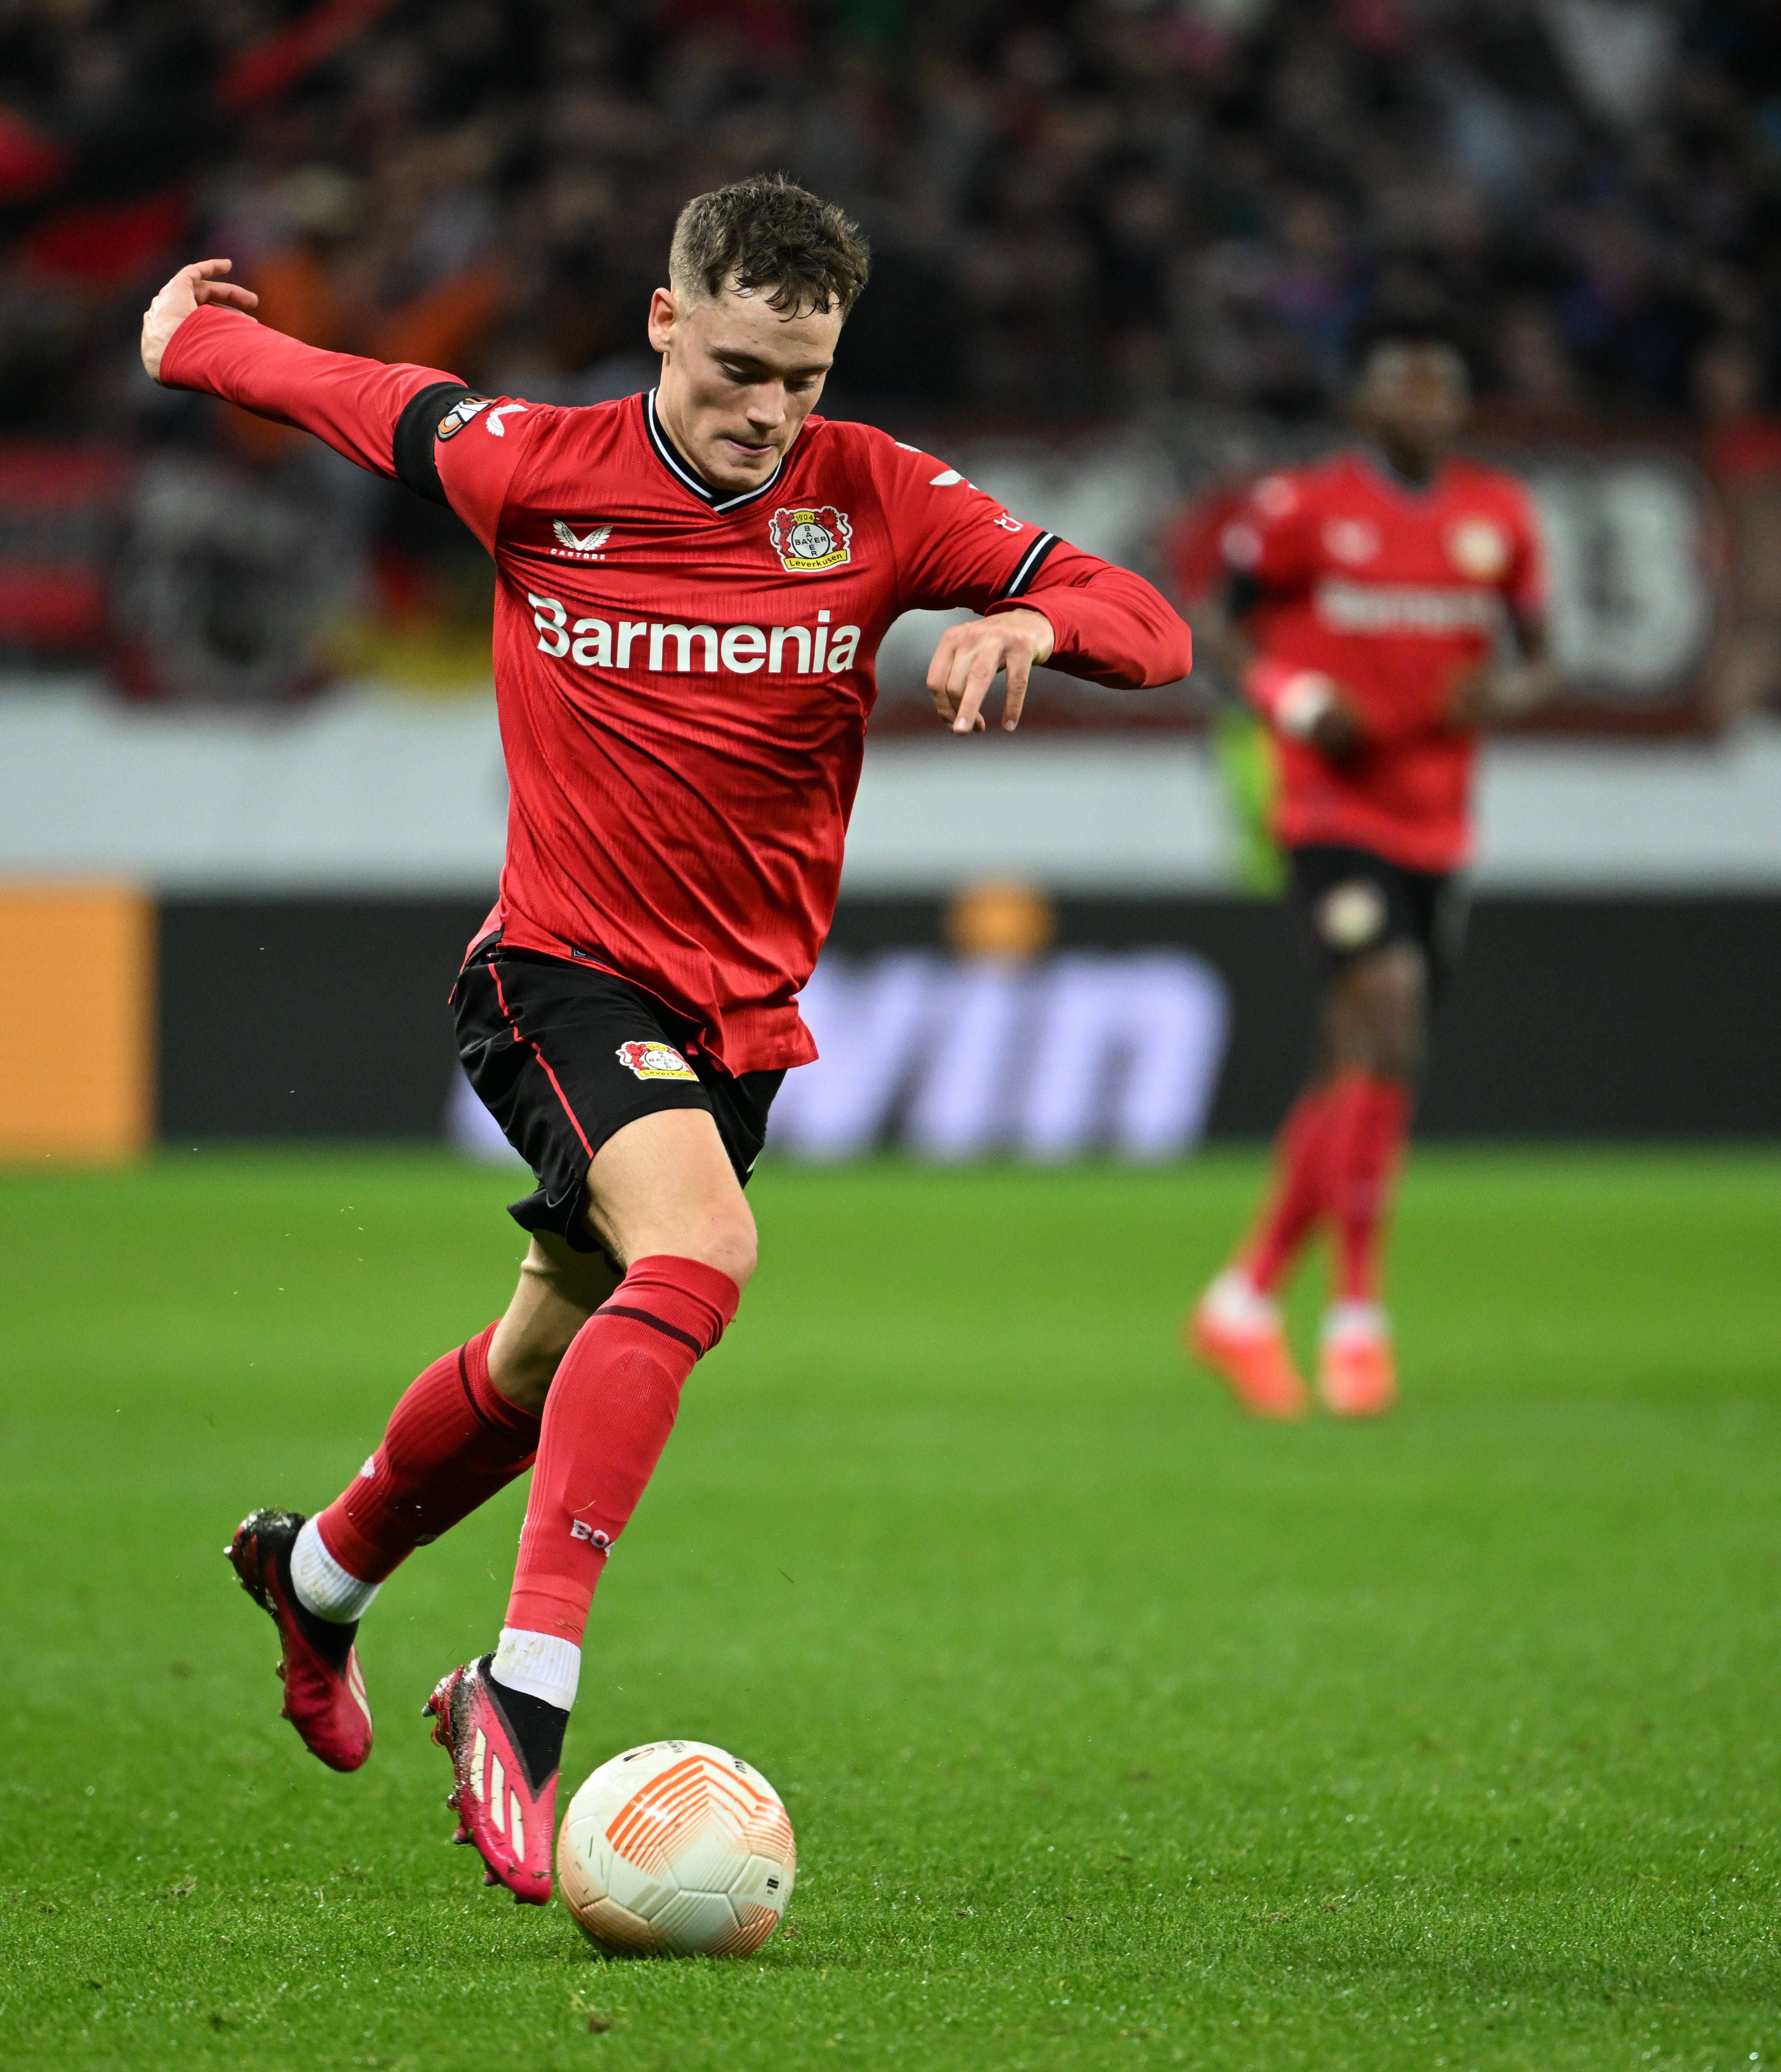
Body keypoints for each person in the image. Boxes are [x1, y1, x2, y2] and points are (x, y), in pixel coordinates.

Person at [141, 175, 1189, 1906]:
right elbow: (340, 393)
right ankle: (524, 1687)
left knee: (542, 1355)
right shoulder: (535, 469)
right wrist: (198, 339)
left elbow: (1149, 623)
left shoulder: (879, 496)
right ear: (663, 321)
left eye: (802, 375)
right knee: (704, 1247)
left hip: (741, 1017)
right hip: (557, 972)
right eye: (738, 368)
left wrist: (1031, 618)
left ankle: (315, 1574)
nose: (769, 411)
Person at [1185, 312, 1548, 1421]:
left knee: (1357, 1059)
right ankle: (1356, 1313)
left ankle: (1243, 1297)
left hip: (1436, 819)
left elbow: (1542, 658)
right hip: (1327, 805)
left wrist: (1508, 696)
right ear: (1365, 406)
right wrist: (1296, 700)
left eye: (1444, 387)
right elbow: (1217, 628)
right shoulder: (1302, 513)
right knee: (1389, 1014)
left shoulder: (1499, 517)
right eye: (1406, 387)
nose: (1427, 404)